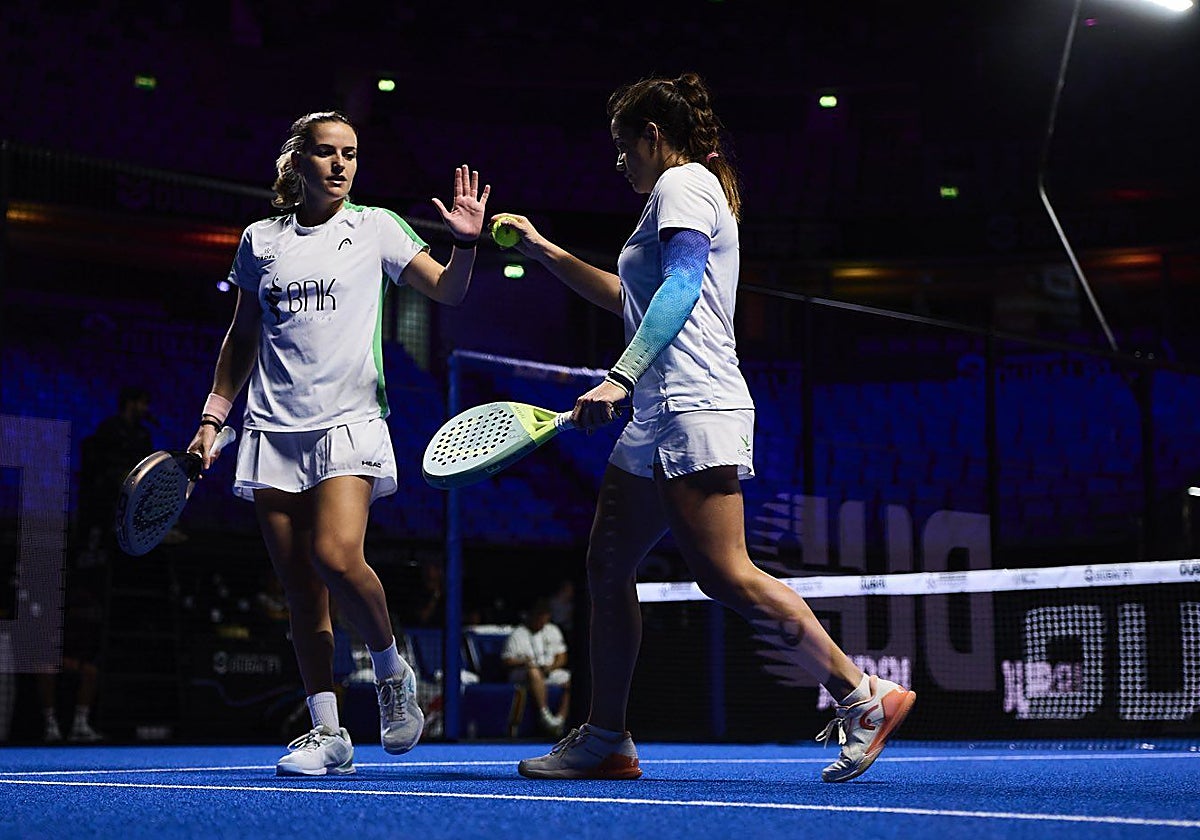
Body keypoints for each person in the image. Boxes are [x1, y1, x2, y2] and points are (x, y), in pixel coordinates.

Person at [492, 73, 915, 783]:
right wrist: (543, 250)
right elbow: (633, 295)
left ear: (654, 138)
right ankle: (606, 738)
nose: (618, 161)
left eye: (623, 147)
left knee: (724, 573)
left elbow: (683, 286)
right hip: (657, 414)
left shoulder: (682, 186)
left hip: (694, 402)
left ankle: (860, 694)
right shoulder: (673, 194)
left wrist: (619, 378)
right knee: (606, 565)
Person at [187, 110, 490, 777]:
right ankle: (328, 732)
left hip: (349, 421)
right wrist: (214, 419)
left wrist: (465, 245)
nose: (339, 164)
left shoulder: (375, 226)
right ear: (297, 162)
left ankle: (391, 672)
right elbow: (241, 338)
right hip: (271, 427)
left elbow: (447, 290)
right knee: (300, 589)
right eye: (325, 153)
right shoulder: (260, 240)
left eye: (349, 153)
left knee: (335, 555)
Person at [501, 598, 570, 735]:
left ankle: (560, 720)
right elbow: (506, 661)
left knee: (572, 678)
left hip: (549, 671)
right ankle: (545, 715)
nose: (541, 622)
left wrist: (551, 667)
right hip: (523, 673)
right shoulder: (518, 634)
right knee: (534, 672)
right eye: (538, 618)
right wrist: (524, 662)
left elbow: (562, 656)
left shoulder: (552, 630)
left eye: (544, 618)